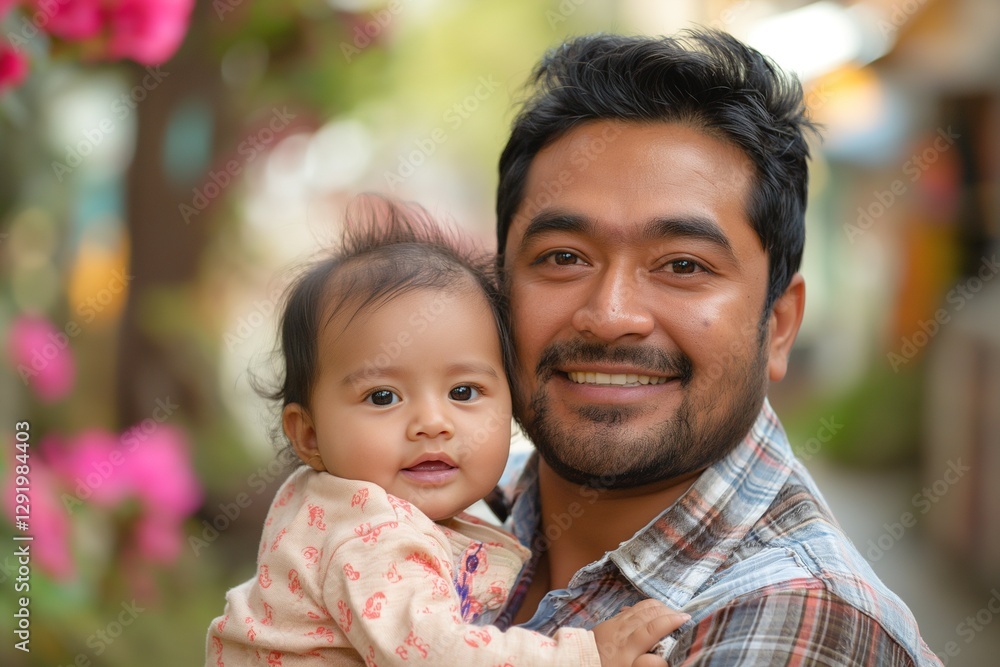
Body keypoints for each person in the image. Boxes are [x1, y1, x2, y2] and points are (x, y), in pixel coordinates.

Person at [492, 29, 943, 666]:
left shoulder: (803, 621)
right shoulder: (450, 505)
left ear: (779, 325)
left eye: (682, 265)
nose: (609, 314)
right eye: (563, 257)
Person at [205, 197, 689, 666]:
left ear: (514, 399)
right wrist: (585, 657)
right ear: (308, 435)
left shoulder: (347, 505)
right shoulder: (370, 535)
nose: (433, 424)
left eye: (463, 392)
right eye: (382, 397)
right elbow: (440, 655)